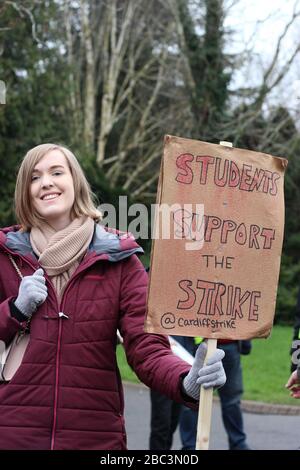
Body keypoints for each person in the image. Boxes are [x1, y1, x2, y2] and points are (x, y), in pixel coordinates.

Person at [0, 143, 226, 450]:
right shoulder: (5, 255)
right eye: (35, 177)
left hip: (95, 439)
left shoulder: (119, 259)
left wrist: (187, 381)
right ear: (25, 191)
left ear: (75, 182)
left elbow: (147, 346)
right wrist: (14, 310)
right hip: (12, 435)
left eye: (57, 172)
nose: (47, 182)